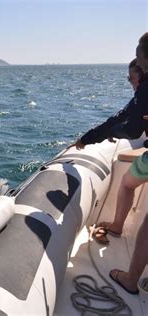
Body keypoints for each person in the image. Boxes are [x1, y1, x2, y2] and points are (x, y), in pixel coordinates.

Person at [71, 33, 148, 295]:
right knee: (128, 182)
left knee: (144, 215)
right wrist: (94, 136)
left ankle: (131, 278)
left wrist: (90, 138)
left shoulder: (145, 89)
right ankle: (116, 227)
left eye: (131, 76)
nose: (130, 82)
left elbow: (133, 126)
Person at [69, 58, 144, 150]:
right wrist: (85, 140)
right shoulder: (140, 98)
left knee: (137, 165)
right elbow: (120, 118)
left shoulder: (143, 94)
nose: (129, 82)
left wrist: (111, 132)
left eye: (130, 78)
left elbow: (132, 131)